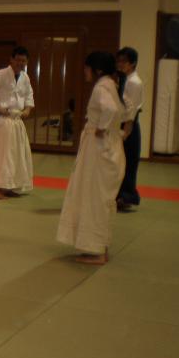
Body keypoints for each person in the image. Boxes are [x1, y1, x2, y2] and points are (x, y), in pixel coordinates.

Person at [57, 52, 126, 265]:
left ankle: (97, 252)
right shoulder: (111, 85)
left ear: (97, 69)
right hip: (108, 147)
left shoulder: (101, 87)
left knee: (93, 197)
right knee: (100, 199)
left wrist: (101, 128)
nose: (85, 72)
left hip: (98, 149)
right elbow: (122, 111)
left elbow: (111, 110)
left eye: (87, 68)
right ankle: (98, 246)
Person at [0, 46, 35, 199]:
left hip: (17, 120)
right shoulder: (0, 74)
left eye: (23, 61)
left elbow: (29, 95)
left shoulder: (25, 77)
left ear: (27, 62)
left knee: (17, 156)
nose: (20, 63)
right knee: (3, 155)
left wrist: (28, 109)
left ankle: (10, 186)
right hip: (3, 120)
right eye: (17, 60)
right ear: (11, 59)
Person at [116, 47, 143, 211]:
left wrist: (126, 132)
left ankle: (126, 196)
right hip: (123, 123)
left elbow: (131, 111)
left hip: (129, 125)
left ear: (132, 63)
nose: (120, 64)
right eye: (118, 61)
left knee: (128, 162)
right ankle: (121, 196)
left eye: (124, 61)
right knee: (121, 162)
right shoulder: (124, 79)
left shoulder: (134, 82)